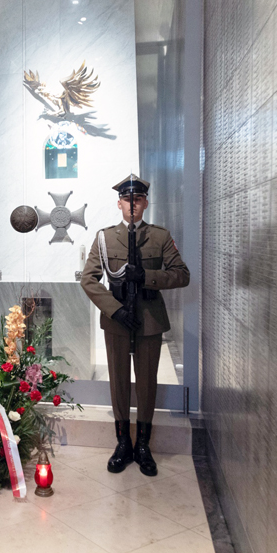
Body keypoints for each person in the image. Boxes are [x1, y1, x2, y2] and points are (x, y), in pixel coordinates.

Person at [80, 174, 190, 476]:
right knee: (118, 382)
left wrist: (147, 277)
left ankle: (143, 444)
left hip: (149, 320)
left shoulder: (160, 237)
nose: (132, 204)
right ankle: (123, 443)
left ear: (145, 203)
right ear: (119, 204)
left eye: (138, 199)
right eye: (127, 199)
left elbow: (182, 274)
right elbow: (88, 279)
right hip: (117, 320)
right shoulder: (105, 238)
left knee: (146, 383)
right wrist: (114, 310)